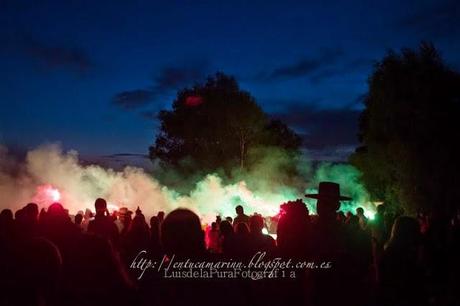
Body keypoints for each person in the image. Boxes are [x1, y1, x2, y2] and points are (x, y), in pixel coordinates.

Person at [304, 181, 357, 306]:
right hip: (334, 289)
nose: (320, 206)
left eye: (325, 202)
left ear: (337, 206)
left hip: (329, 288)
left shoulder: (310, 229)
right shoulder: (347, 231)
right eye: (320, 202)